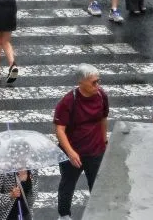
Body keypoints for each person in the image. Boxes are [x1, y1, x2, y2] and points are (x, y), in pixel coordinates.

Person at [54, 65, 109, 220]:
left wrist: (104, 140)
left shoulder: (101, 96)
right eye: (94, 82)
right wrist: (70, 152)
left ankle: (97, 214)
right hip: (73, 152)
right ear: (81, 82)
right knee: (68, 184)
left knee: (97, 186)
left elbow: (103, 118)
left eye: (98, 81)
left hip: (95, 151)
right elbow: (59, 129)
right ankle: (64, 215)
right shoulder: (68, 101)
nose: (97, 86)